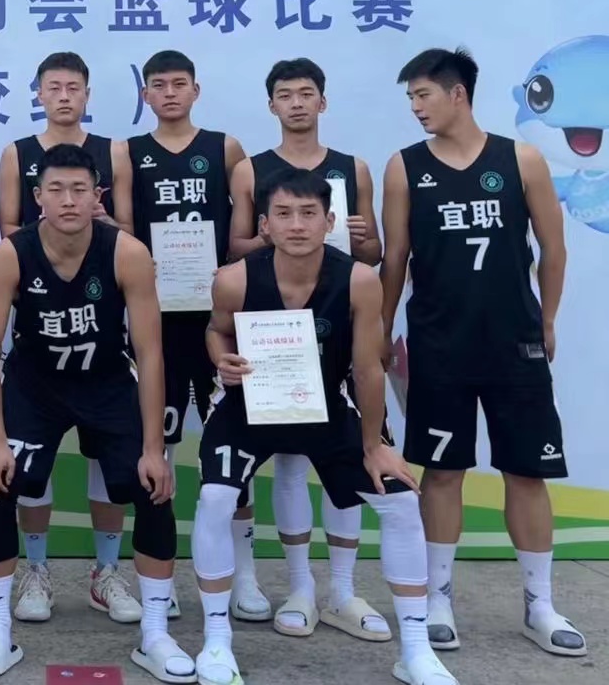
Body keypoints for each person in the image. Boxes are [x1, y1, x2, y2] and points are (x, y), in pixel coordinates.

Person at [189, 167, 458, 685]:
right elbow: (215, 331)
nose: (296, 225)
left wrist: (375, 444)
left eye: (309, 213)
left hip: (325, 407)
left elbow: (367, 369)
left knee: (402, 500)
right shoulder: (235, 278)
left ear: (329, 221)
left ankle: (417, 650)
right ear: (265, 224)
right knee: (216, 498)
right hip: (249, 408)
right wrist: (222, 360)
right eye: (284, 214)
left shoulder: (358, 280)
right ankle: (217, 640)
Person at [380, 47, 585, 657]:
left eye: (423, 95)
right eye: (410, 98)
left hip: (514, 343)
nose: (416, 108)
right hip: (439, 344)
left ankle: (539, 604)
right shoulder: (404, 167)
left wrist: (547, 319)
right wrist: (381, 333)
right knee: (442, 471)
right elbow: (395, 260)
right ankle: (438, 598)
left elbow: (553, 249)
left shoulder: (520, 160)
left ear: (457, 94)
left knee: (527, 471)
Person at [0, 143, 191, 682]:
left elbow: (150, 352)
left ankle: (155, 634)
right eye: (56, 189)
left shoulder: (126, 252)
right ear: (38, 197)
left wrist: (155, 449)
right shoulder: (11, 253)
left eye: (79, 189)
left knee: (153, 487)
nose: (68, 200)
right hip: (35, 386)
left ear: (98, 196)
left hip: (106, 383)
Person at [227, 57, 387, 641]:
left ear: (323, 101)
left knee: (347, 465)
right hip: (278, 335)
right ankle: (300, 586)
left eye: (306, 93)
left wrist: (361, 239)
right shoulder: (251, 169)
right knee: (292, 463)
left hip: (338, 328)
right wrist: (279, 237)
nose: (296, 103)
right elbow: (236, 245)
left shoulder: (353, 168)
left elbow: (372, 255)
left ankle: (342, 590)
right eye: (285, 94)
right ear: (271, 104)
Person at [125, 50, 265, 622]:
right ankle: (162, 572)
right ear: (145, 95)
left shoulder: (225, 148)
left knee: (232, 444)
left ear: (196, 90)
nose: (169, 93)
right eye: (158, 85)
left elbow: (243, 232)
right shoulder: (129, 152)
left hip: (216, 320)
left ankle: (245, 574)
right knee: (156, 449)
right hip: (157, 321)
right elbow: (126, 233)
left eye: (179, 83)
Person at [0, 51, 133, 624]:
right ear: (39, 93)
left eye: (73, 87)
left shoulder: (113, 150)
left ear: (87, 93)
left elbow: (127, 227)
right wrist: (54, 233)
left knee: (109, 464)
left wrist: (96, 227)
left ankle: (107, 572)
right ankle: (36, 569)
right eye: (53, 87)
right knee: (33, 464)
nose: (63, 96)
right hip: (41, 326)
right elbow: (7, 226)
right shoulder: (17, 153)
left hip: (100, 334)